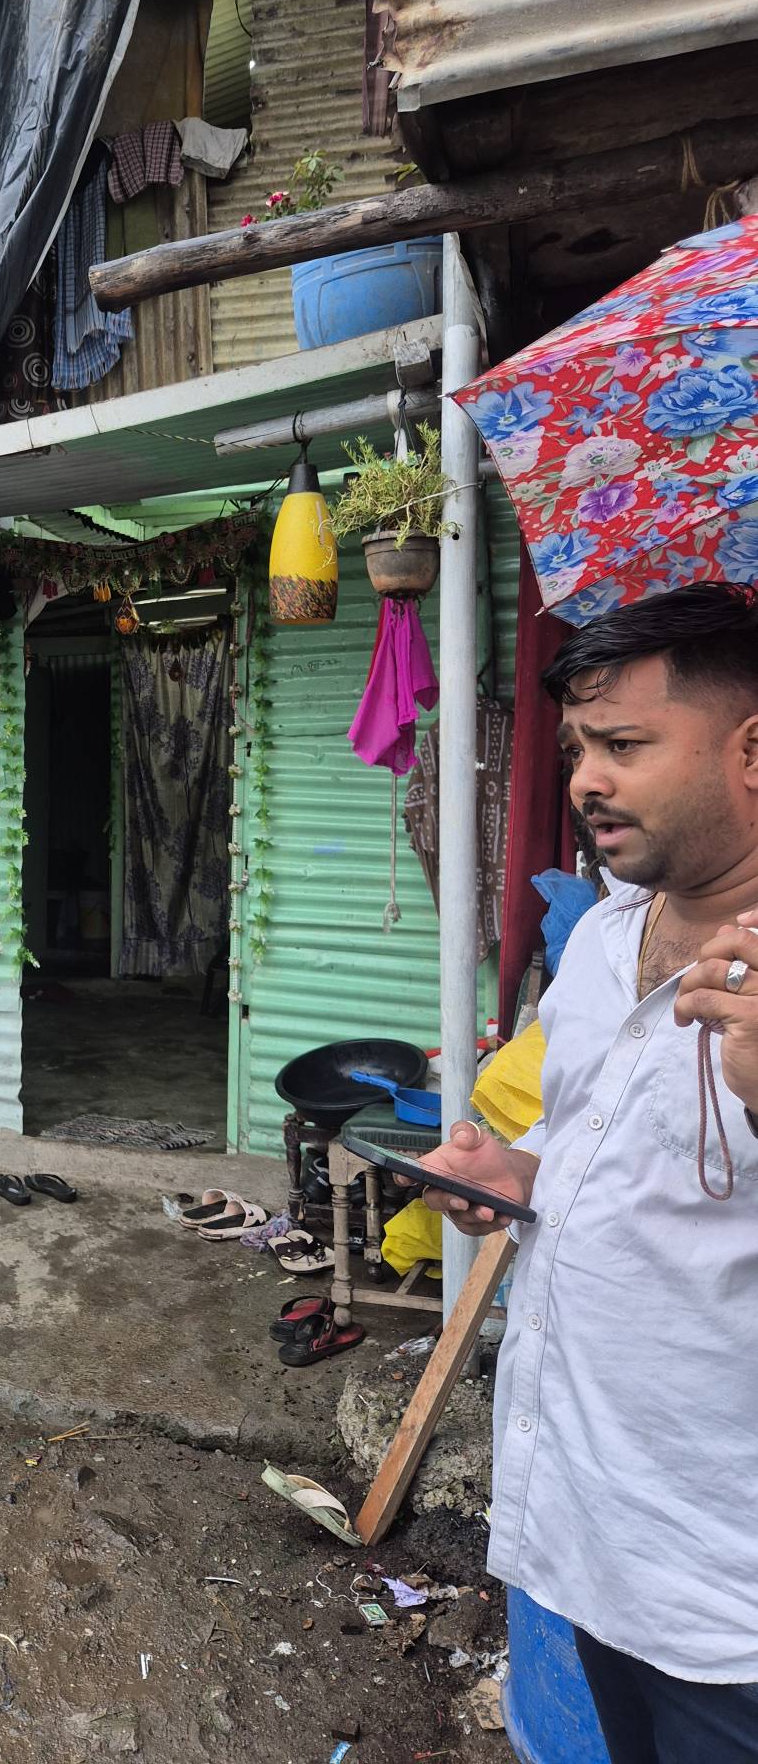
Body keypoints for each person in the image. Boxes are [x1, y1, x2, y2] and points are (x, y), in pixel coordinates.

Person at [420, 581, 758, 1764]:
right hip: (590, 1524)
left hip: (732, 1590)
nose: (584, 781)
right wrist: (514, 1173)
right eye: (576, 749)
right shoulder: (606, 939)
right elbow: (594, 1149)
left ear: (751, 750)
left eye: (623, 744)